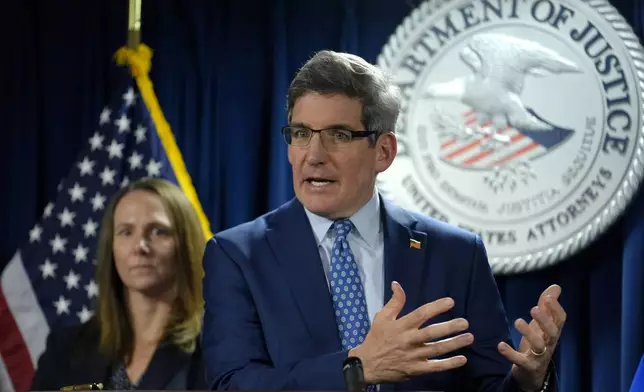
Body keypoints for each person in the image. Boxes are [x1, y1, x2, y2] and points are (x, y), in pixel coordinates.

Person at [201, 50, 566, 391]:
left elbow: (488, 385)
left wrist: (528, 380)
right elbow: (232, 383)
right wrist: (356, 367)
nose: (313, 155)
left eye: (338, 135)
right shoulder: (238, 255)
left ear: (384, 151)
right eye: (301, 134)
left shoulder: (455, 254)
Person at [30, 178, 208, 390]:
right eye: (126, 232)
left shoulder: (219, 351)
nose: (140, 246)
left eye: (158, 231)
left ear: (186, 245)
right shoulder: (66, 350)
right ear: (111, 248)